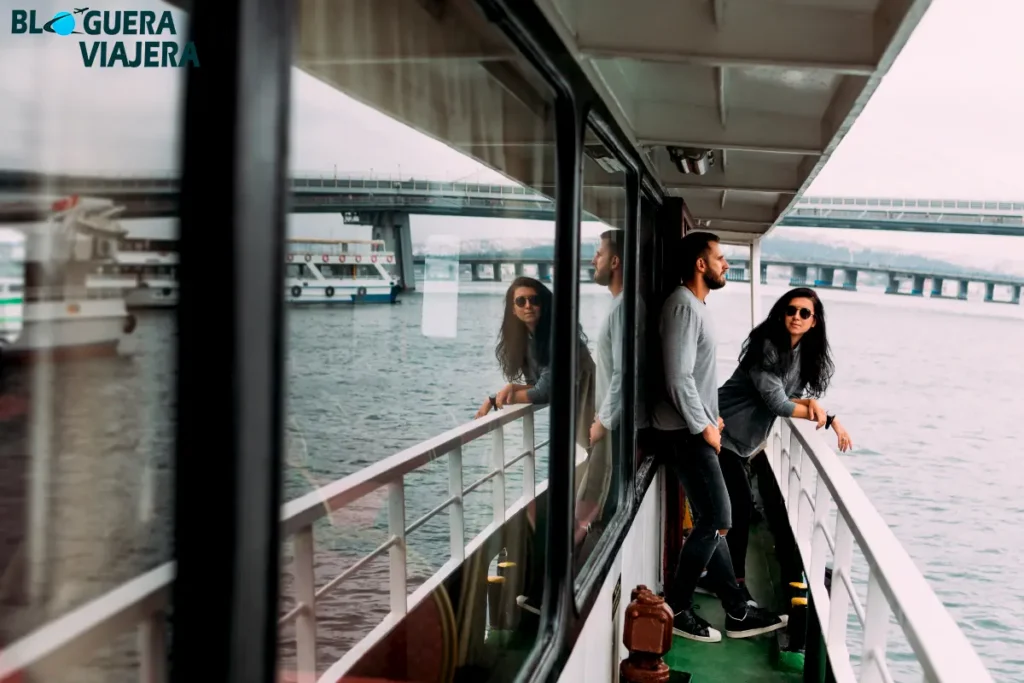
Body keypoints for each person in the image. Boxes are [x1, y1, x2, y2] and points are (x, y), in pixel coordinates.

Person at [651, 231, 787, 643]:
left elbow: (695, 377)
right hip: (684, 433)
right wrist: (704, 425)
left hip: (695, 427)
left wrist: (712, 416)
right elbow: (677, 378)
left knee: (714, 520)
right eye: (720, 258)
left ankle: (737, 610)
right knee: (719, 518)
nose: (726, 264)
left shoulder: (696, 306)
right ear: (699, 263)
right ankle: (676, 609)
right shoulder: (681, 307)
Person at [699, 288, 853, 604]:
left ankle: (714, 576)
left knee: (726, 511)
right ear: (782, 314)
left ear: (814, 322)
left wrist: (830, 417)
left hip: (742, 444)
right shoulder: (766, 349)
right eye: (791, 310)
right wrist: (819, 411)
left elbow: (788, 398)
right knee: (737, 509)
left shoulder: (799, 356)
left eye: (804, 313)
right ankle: (734, 585)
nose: (796, 317)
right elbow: (777, 402)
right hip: (718, 430)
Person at [582, 230, 648, 544]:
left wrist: (603, 423)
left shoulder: (625, 307)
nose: (594, 260)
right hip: (616, 422)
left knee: (603, 498)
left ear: (616, 261)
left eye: (600, 253)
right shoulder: (621, 304)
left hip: (618, 426)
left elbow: (626, 373)